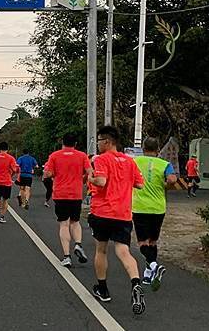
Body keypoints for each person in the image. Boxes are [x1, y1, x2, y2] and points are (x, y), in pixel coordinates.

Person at [87, 126, 146, 315]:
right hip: (123, 213)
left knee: (101, 250)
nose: (98, 144)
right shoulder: (130, 162)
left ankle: (102, 289)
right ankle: (136, 283)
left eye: (99, 140)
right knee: (123, 251)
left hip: (103, 212)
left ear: (107, 141)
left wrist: (91, 177)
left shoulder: (102, 160)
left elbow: (102, 182)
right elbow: (139, 184)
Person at [132, 137, 177, 291]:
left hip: (139, 207)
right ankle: (148, 273)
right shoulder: (164, 164)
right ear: (158, 150)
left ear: (143, 148)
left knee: (142, 243)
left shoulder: (135, 162)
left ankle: (153, 265)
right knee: (153, 241)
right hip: (158, 208)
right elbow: (172, 179)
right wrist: (164, 184)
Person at [44, 133, 92, 268]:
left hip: (60, 194)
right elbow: (90, 172)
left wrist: (54, 173)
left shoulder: (54, 156)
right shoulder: (82, 156)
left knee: (64, 224)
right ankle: (78, 244)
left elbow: (47, 173)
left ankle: (67, 256)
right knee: (75, 222)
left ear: (62, 142)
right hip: (76, 194)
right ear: (75, 144)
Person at [0, 142, 19, 224]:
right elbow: (14, 170)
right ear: (7, 149)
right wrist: (11, 175)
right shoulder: (11, 158)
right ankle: (2, 217)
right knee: (5, 200)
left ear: (0, 148)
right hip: (7, 182)